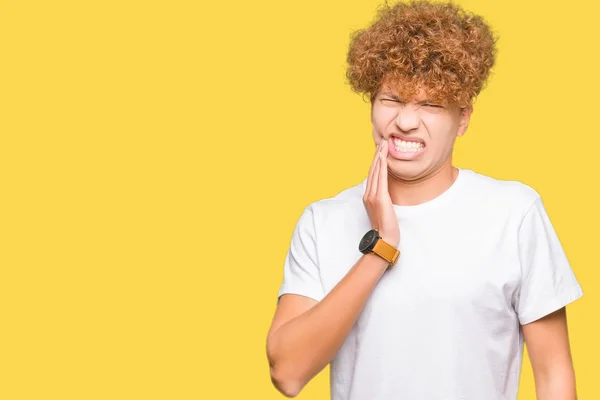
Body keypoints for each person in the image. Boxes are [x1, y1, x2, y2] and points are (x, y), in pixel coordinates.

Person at [265, 0, 583, 399]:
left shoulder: (514, 214)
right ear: (372, 105)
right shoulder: (322, 221)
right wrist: (381, 247)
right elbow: (287, 372)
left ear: (463, 117)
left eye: (430, 104)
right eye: (392, 99)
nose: (406, 121)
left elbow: (554, 375)